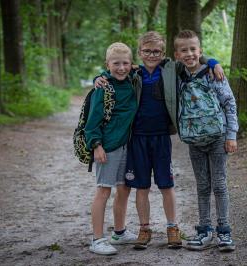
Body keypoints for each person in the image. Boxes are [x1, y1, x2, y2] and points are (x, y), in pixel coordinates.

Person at [94, 31, 225, 250]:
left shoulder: (172, 69)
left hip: (162, 137)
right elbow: (112, 72)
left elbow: (191, 57)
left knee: (167, 184)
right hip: (137, 138)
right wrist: (98, 76)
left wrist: (213, 62)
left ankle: (172, 228)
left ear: (164, 53)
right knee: (141, 187)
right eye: (147, 51)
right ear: (140, 53)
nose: (152, 55)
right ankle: (144, 229)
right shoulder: (133, 74)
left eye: (156, 51)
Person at [173, 30, 239, 252]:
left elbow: (229, 104)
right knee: (202, 186)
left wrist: (231, 135)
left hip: (218, 137)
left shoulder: (213, 73)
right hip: (194, 140)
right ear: (177, 54)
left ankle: (224, 232)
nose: (189, 53)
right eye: (184, 50)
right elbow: (152, 66)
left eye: (193, 49)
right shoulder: (177, 75)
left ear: (200, 51)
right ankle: (205, 231)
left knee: (219, 184)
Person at [84, 42, 137, 255]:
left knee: (124, 189)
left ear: (132, 64)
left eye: (126, 63)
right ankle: (97, 239)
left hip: (128, 145)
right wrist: (96, 145)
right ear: (107, 64)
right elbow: (92, 120)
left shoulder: (134, 80)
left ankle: (120, 232)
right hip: (107, 146)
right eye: (116, 64)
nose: (121, 68)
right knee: (104, 190)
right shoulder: (102, 86)